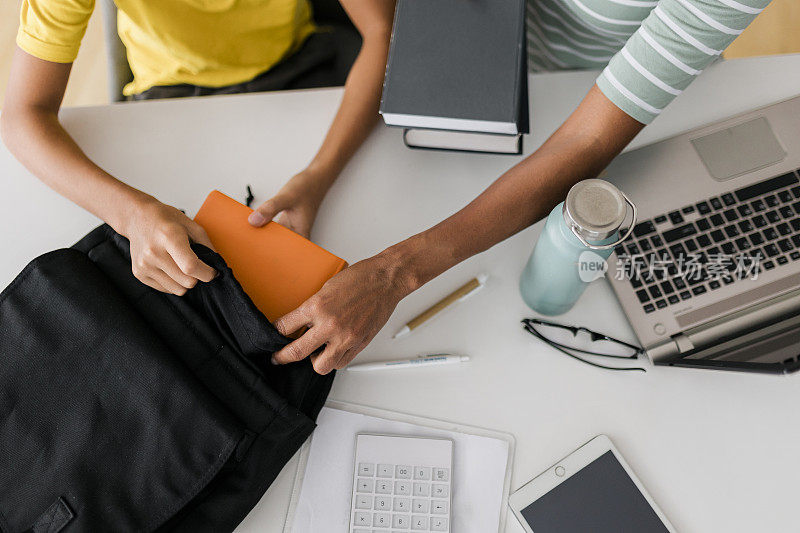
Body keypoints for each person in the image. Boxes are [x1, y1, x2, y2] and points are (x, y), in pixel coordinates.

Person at [259, 0, 773, 374]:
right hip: (482, 49)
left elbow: (585, 140)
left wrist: (395, 275)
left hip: (606, 92)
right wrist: (317, 173)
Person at [1, 0, 395, 295]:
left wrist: (319, 174)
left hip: (302, 65)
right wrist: (130, 214)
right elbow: (21, 115)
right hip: (169, 96)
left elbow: (385, 30)